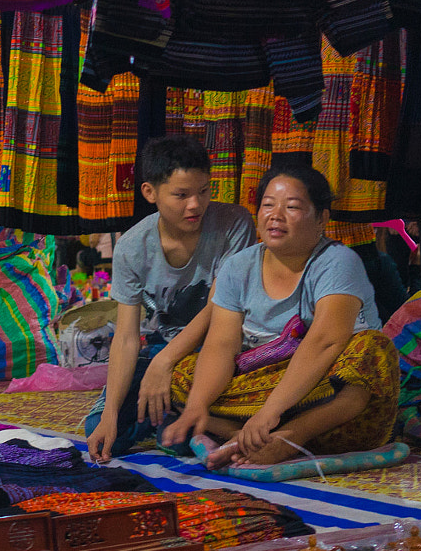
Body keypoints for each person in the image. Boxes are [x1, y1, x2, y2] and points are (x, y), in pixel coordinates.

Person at [160, 165, 401, 469]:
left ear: (322, 219)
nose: (276, 215)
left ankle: (290, 438)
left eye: (292, 207)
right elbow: (221, 345)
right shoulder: (237, 267)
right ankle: (247, 438)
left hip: (331, 401)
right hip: (265, 387)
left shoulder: (338, 262)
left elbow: (325, 343)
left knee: (372, 349)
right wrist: (197, 405)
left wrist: (267, 413)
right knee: (182, 376)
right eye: (268, 205)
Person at [85, 137, 257, 463]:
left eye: (203, 191)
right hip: (162, 348)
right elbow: (124, 337)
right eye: (181, 195)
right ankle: (167, 416)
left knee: (179, 439)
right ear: (150, 193)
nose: (195, 204)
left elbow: (219, 306)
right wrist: (110, 412)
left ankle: (174, 417)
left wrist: (164, 363)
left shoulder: (234, 224)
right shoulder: (132, 247)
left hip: (219, 349)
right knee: (104, 432)